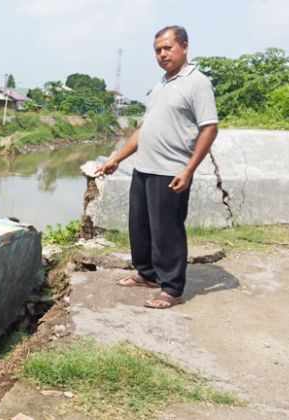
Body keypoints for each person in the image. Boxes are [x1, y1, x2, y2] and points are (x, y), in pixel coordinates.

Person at [95, 25, 219, 309]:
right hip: (144, 168)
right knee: (140, 226)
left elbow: (209, 128)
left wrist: (188, 169)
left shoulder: (197, 82)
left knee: (167, 230)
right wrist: (116, 158)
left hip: (171, 170)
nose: (162, 54)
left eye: (168, 48)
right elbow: (144, 130)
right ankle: (147, 274)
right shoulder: (161, 85)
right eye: (158, 50)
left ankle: (172, 288)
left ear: (184, 47)